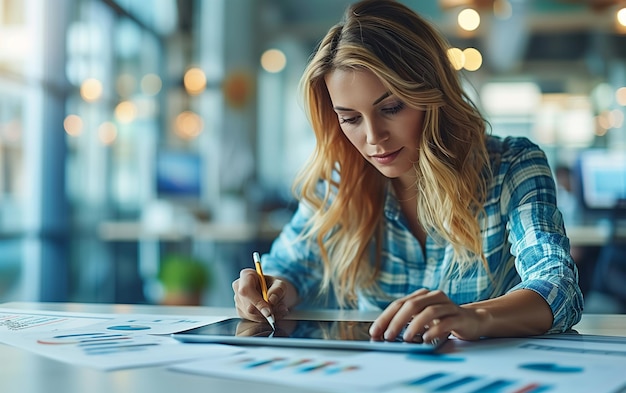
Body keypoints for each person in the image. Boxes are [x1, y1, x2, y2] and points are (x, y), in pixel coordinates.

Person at [232, 0, 583, 344]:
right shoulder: (341, 182)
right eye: (350, 118)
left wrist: (473, 317)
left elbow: (558, 287)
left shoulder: (513, 166)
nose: (373, 138)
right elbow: (289, 268)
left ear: (432, 94)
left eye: (391, 107)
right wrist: (269, 289)